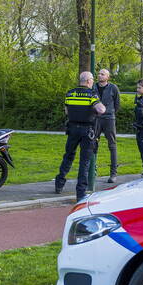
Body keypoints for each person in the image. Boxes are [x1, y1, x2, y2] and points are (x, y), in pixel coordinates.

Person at [55, 71, 106, 201]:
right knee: (85, 161)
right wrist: (100, 108)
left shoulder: (70, 93)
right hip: (87, 130)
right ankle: (81, 193)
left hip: (72, 129)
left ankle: (59, 183)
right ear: (88, 81)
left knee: (68, 156)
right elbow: (101, 110)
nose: (93, 82)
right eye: (93, 80)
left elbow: (66, 110)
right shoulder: (91, 94)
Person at [93, 68, 121, 183]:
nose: (99, 75)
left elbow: (117, 104)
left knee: (112, 145)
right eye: (99, 74)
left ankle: (113, 173)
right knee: (93, 144)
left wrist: (110, 112)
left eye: (102, 74)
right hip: (96, 119)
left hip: (109, 119)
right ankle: (92, 172)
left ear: (107, 77)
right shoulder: (93, 87)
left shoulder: (113, 88)